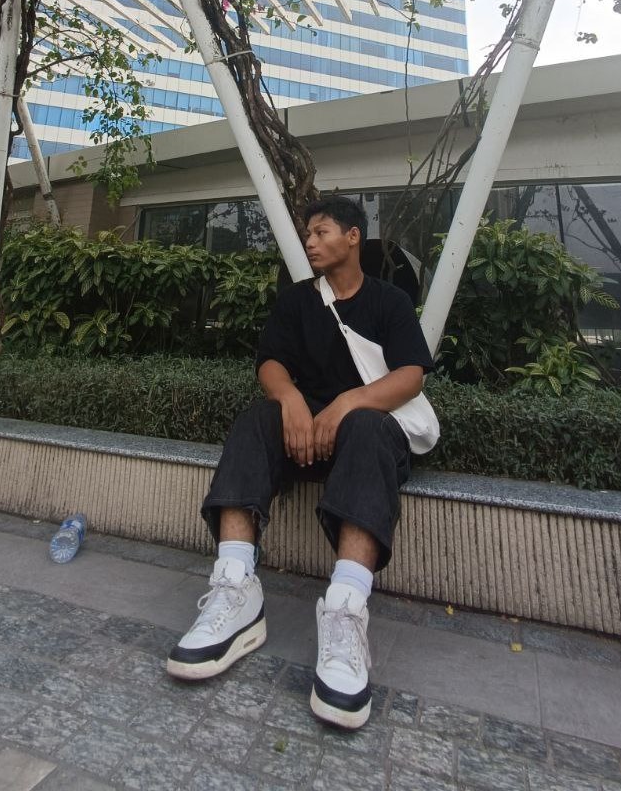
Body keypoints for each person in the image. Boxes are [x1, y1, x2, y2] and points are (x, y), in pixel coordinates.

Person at [166, 196, 434, 730]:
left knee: (364, 426)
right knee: (256, 420)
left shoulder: (390, 301)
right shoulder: (296, 301)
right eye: (307, 233)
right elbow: (271, 362)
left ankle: (346, 610)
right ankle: (236, 588)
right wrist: (289, 399)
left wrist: (347, 404)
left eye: (321, 231)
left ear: (353, 237)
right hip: (305, 436)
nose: (310, 241)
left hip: (368, 439)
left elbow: (410, 376)